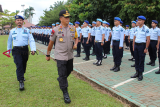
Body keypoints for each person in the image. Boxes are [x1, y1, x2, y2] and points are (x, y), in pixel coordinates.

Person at [46, 10, 78, 104]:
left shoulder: (73, 28)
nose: (68, 19)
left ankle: (61, 79)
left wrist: (75, 44)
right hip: (60, 56)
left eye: (68, 17)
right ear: (61, 18)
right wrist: (48, 54)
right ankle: (65, 93)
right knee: (63, 75)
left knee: (69, 70)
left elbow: (76, 38)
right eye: (66, 17)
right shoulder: (55, 30)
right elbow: (51, 43)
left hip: (70, 55)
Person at [7, 15, 36, 90]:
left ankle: (22, 75)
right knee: (19, 64)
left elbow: (31, 40)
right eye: (18, 20)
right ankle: (21, 81)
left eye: (20, 20)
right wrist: (8, 51)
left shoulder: (27, 30)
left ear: (23, 22)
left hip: (25, 50)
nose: (19, 21)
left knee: (23, 64)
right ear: (15, 22)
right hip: (16, 50)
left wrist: (33, 49)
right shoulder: (12, 31)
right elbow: (9, 41)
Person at [131, 16, 150, 81]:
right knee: (136, 59)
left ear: (143, 21)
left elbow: (148, 39)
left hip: (142, 46)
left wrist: (146, 48)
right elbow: (134, 38)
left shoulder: (146, 28)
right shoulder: (136, 28)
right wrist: (133, 46)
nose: (138, 21)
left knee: (141, 60)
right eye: (138, 20)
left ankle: (140, 74)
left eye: (140, 20)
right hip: (136, 45)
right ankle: (137, 72)